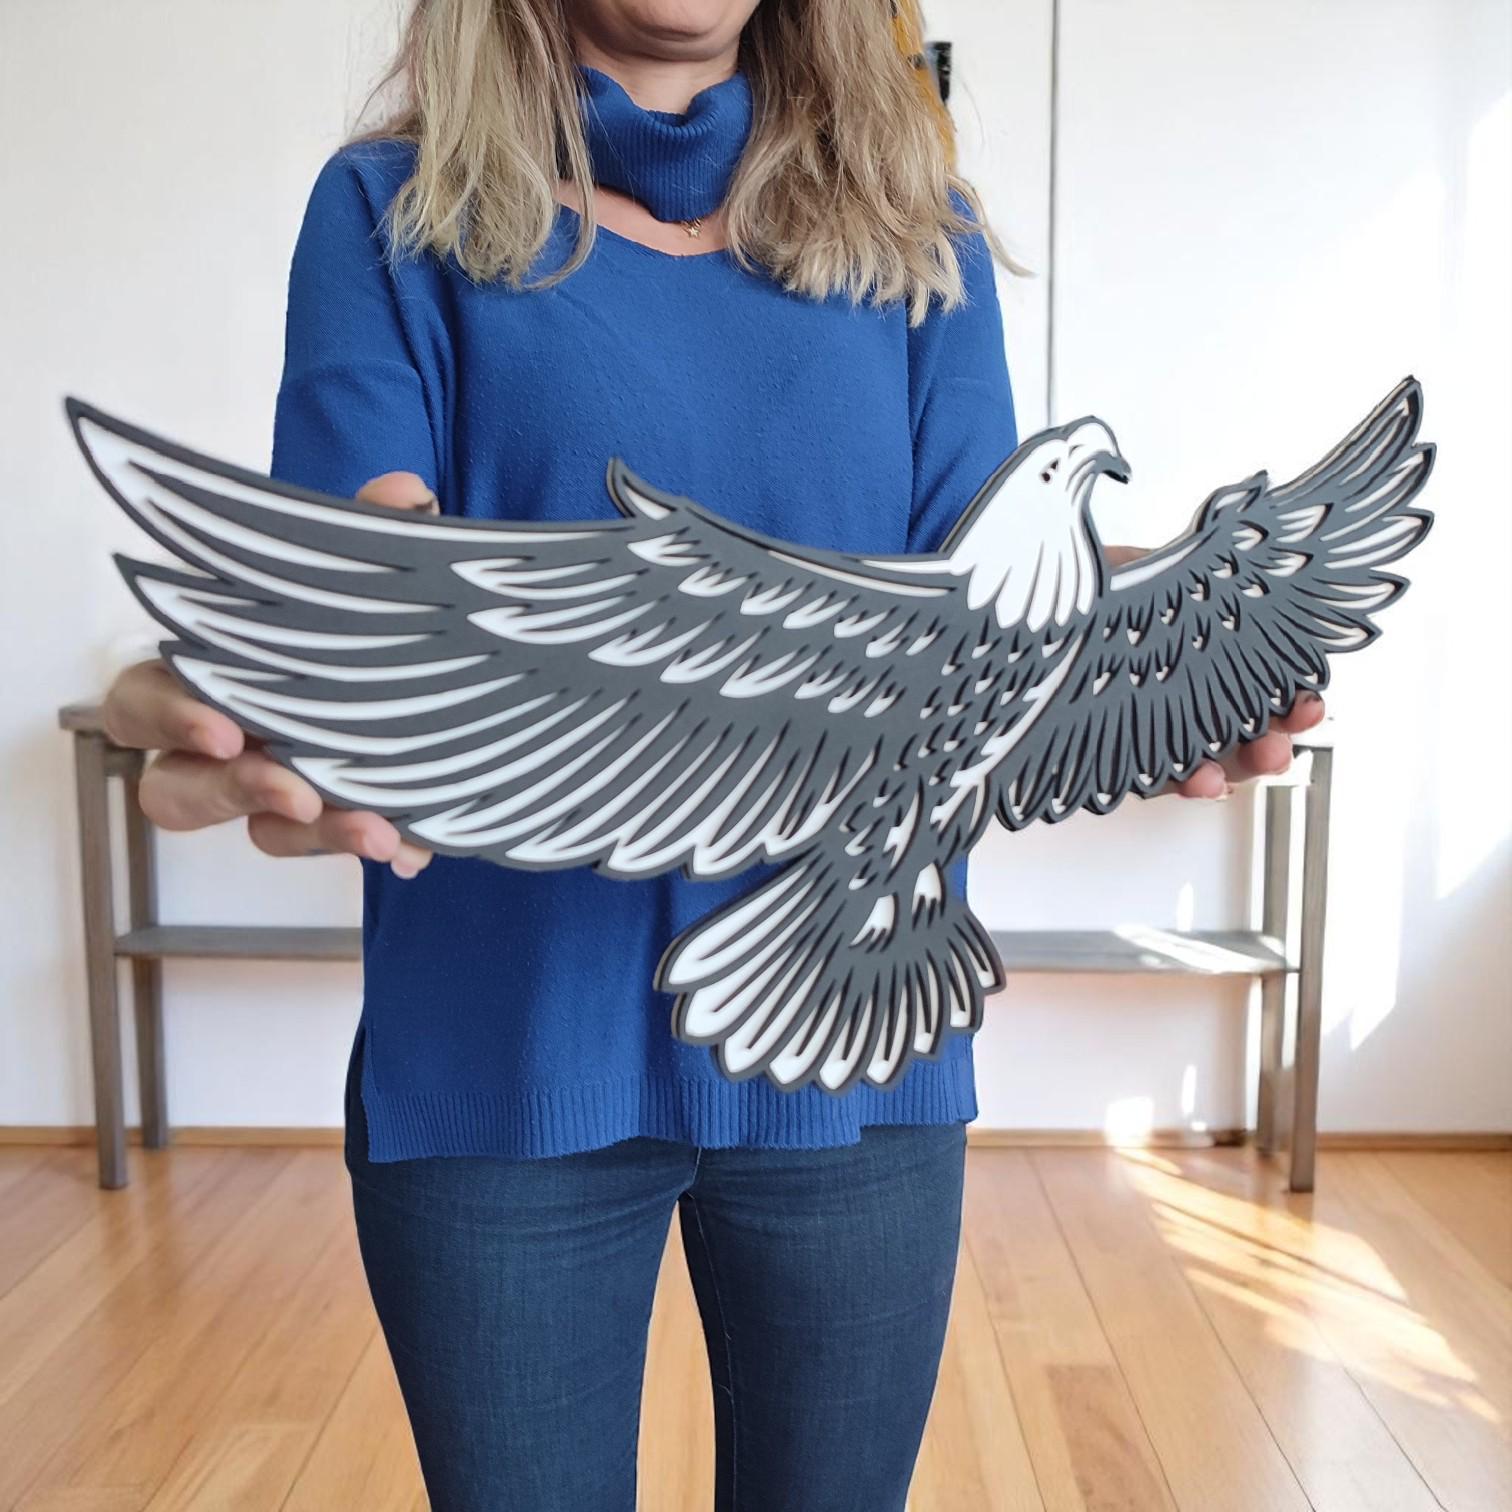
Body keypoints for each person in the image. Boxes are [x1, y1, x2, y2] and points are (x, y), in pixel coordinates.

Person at [98, 2, 1324, 1507]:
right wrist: (280, 674)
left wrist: (1157, 625)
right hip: (506, 1061)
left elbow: (975, 590)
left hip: (854, 1036)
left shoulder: (918, 234)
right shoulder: (389, 212)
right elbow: (366, 561)